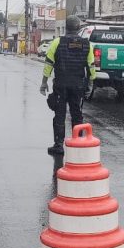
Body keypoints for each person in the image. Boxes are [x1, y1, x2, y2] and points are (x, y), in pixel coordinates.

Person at [40, 16, 95, 155]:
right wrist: (90, 84)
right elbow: (91, 67)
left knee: (60, 114)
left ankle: (58, 145)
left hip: (61, 85)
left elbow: (48, 64)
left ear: (66, 27)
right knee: (77, 114)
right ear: (78, 28)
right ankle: (78, 144)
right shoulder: (87, 45)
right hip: (78, 86)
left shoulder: (57, 42)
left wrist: (44, 82)